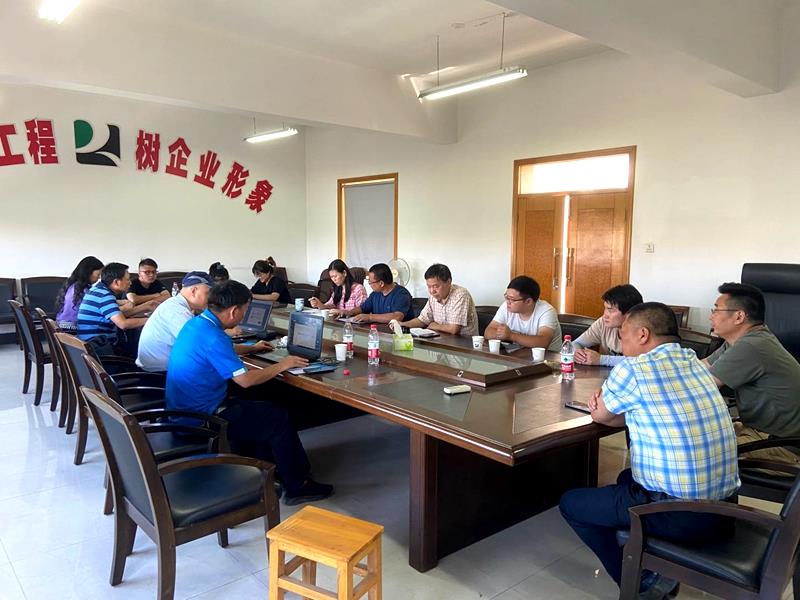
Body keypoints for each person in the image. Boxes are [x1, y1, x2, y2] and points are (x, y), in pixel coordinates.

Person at [559, 303, 739, 597]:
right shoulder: (693, 361)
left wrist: (600, 407)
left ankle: (640, 580)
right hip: (725, 508)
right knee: (625, 478)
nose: (620, 342)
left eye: (623, 334)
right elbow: (631, 414)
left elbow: (602, 415)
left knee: (572, 504)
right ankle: (650, 558)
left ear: (642, 335)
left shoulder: (634, 369)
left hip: (682, 516)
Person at [166, 280, 333, 505]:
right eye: (245, 310)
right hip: (201, 417)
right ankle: (297, 486)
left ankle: (268, 469)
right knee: (277, 417)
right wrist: (283, 365)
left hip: (182, 408)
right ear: (234, 311)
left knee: (261, 407)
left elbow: (223, 348)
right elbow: (245, 380)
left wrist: (252, 348)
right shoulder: (213, 336)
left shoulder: (198, 324)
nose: (244, 316)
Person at [703, 282, 800, 466]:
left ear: (739, 316)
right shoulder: (743, 340)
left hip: (782, 446)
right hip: (759, 431)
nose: (711, 316)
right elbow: (703, 366)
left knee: (695, 450)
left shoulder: (751, 346)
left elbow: (702, 385)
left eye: (716, 310)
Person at [136, 271, 273, 372]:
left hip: (165, 369)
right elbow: (210, 345)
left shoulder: (176, 305)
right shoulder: (177, 312)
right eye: (208, 293)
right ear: (194, 291)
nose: (211, 298)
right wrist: (251, 347)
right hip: (159, 373)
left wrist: (253, 348)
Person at [76, 262, 149, 357]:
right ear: (116, 282)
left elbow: (118, 315)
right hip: (98, 350)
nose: (130, 283)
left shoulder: (97, 290)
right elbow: (123, 324)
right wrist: (151, 320)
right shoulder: (105, 295)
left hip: (89, 346)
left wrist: (145, 308)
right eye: (127, 279)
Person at [398, 263, 478, 337]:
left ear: (449, 282)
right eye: (429, 286)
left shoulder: (460, 295)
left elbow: (453, 329)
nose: (432, 291)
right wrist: (402, 324)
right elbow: (422, 320)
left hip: (463, 344)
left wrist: (434, 325)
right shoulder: (433, 296)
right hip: (440, 341)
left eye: (436, 286)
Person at [484, 276, 562, 351]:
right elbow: (488, 332)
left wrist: (511, 336)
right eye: (506, 297)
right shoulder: (506, 306)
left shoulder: (546, 311)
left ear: (528, 301)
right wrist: (503, 334)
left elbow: (543, 342)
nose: (508, 302)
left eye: (512, 299)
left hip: (547, 358)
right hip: (517, 355)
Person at [573, 284, 644, 367]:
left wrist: (601, 360)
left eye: (610, 310)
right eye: (605, 308)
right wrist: (577, 352)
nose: (605, 315)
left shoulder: (643, 331)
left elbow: (641, 360)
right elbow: (576, 343)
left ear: (629, 313)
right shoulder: (603, 323)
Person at [331, 262, 413, 323]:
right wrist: (348, 312)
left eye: (370, 282)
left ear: (381, 283)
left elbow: (397, 317)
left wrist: (370, 317)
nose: (369, 284)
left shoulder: (401, 294)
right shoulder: (375, 294)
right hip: (378, 332)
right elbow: (362, 308)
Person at [55, 256, 104, 332]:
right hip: (72, 327)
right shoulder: (83, 289)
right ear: (88, 272)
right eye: (98, 274)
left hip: (62, 324)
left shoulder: (73, 285)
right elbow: (98, 305)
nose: (99, 278)